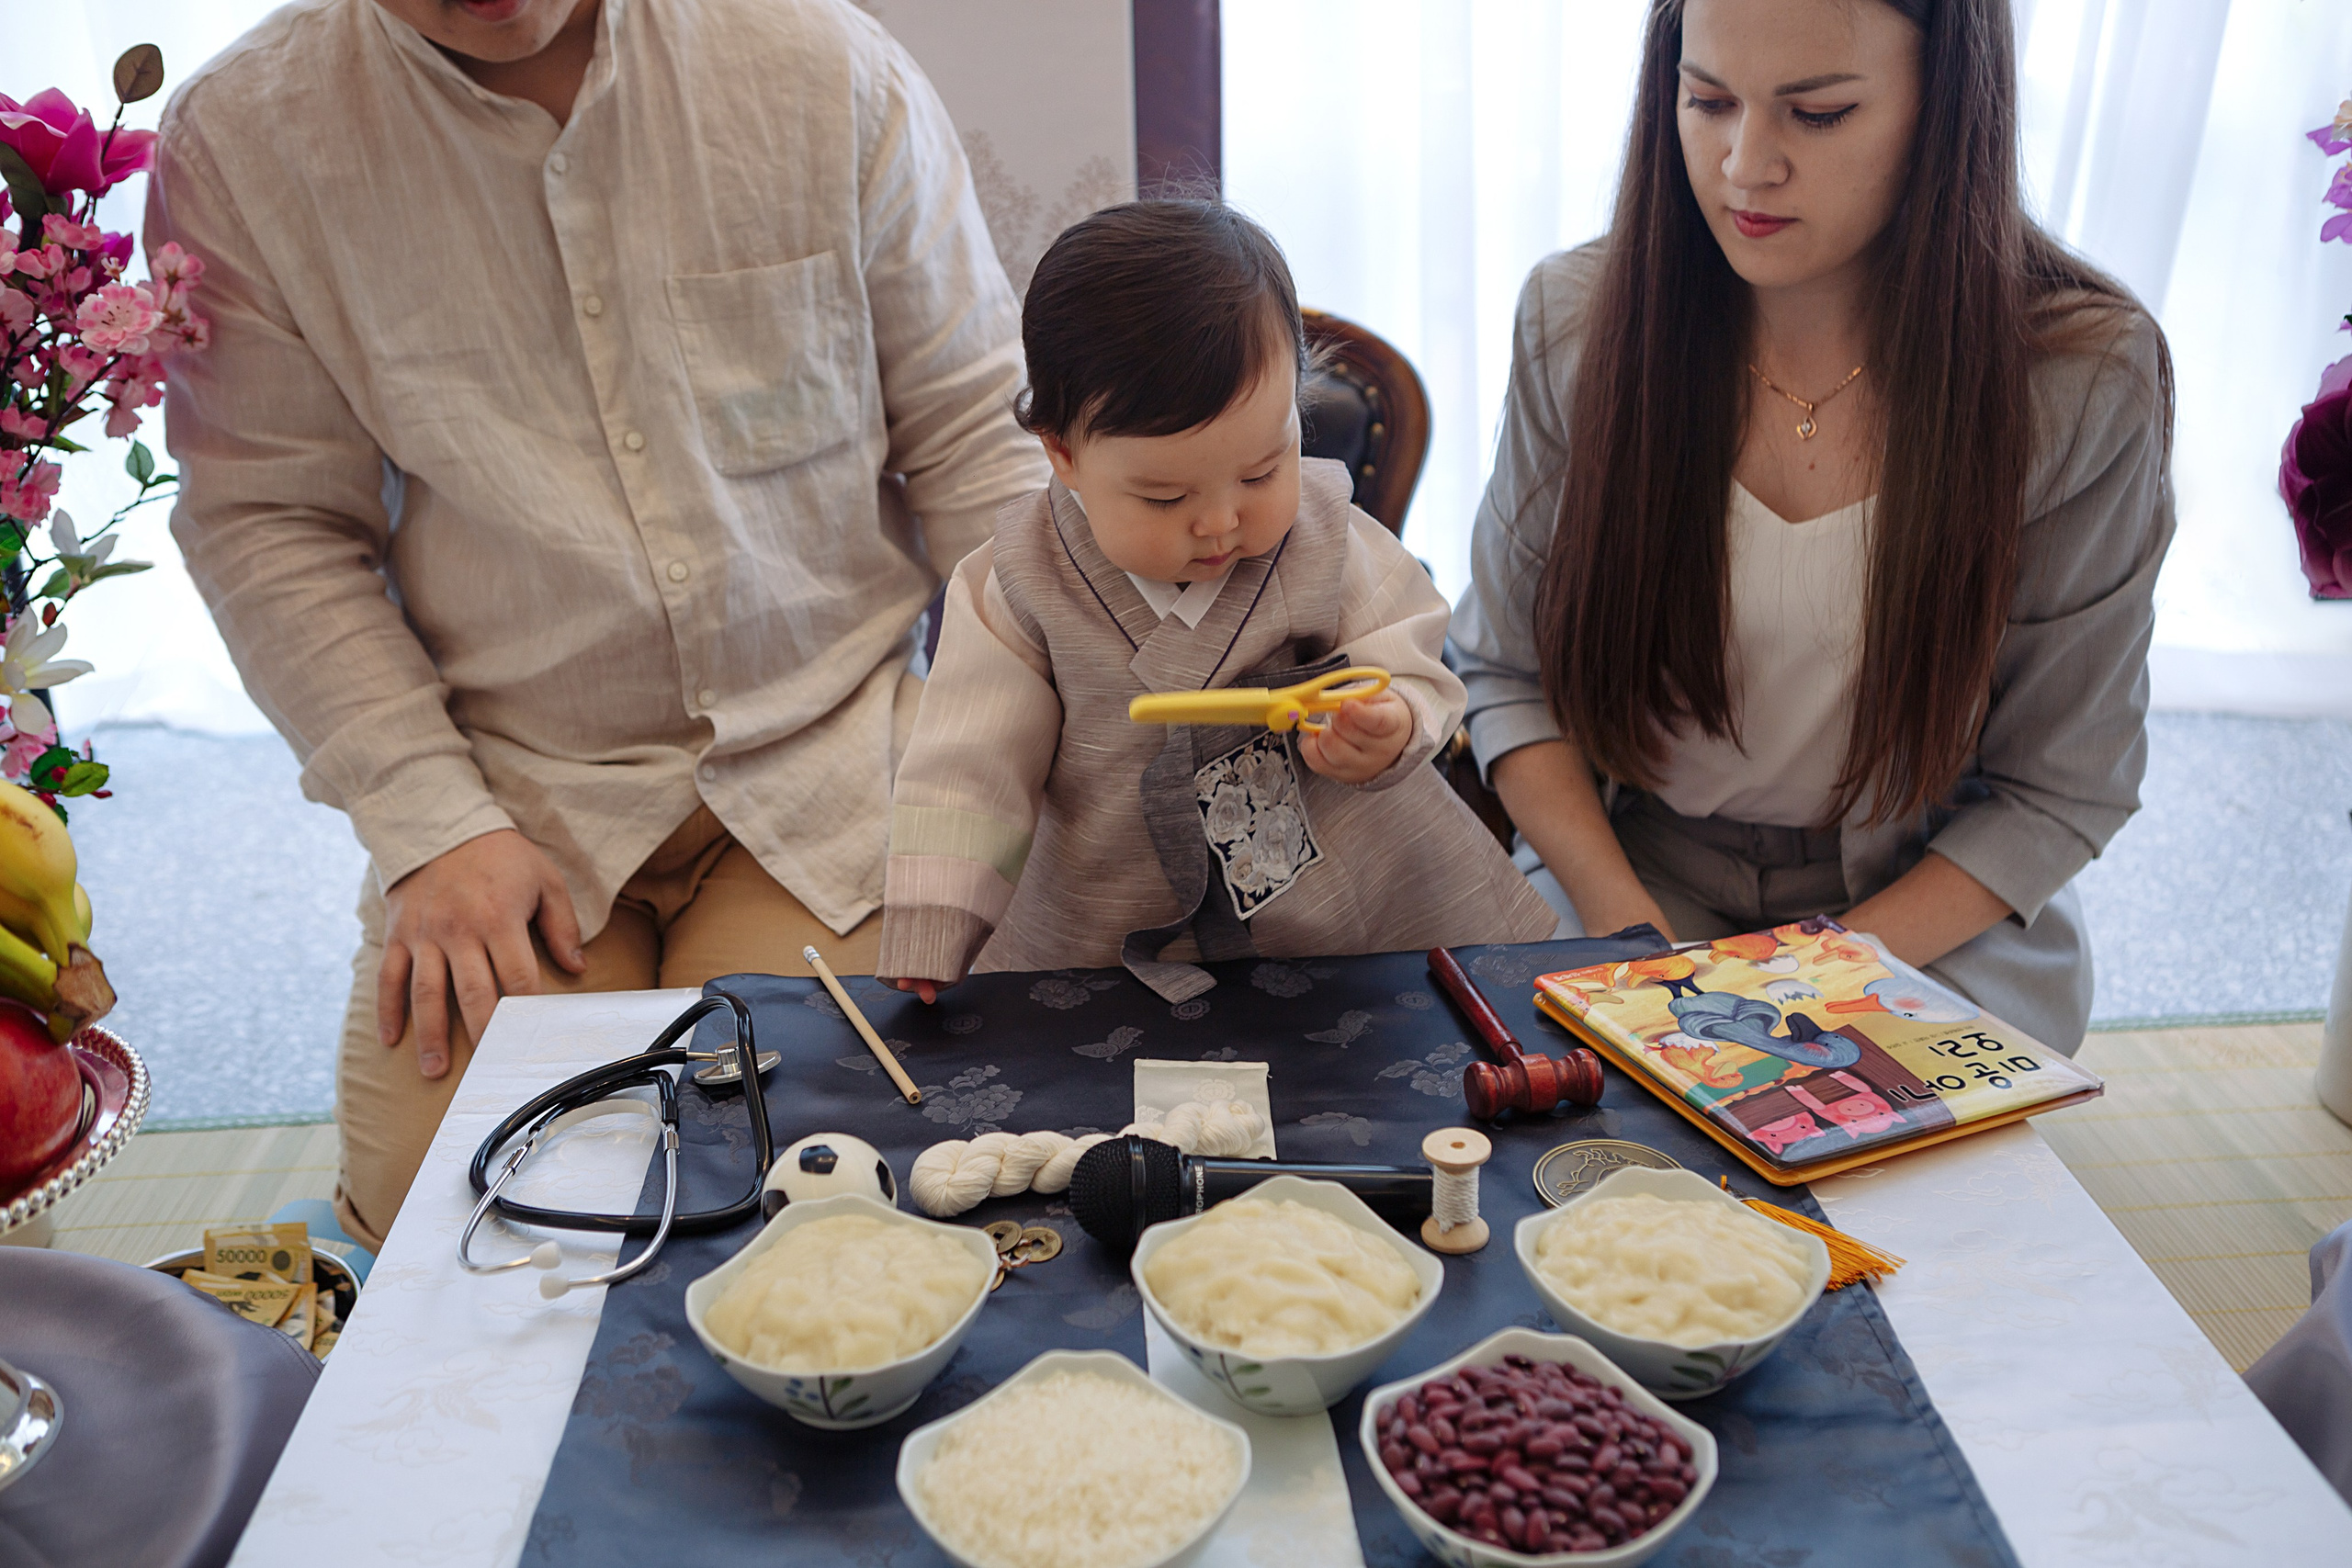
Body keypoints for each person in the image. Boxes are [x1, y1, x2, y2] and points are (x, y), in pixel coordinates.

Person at [147, 0, 1047, 1247]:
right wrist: (430, 824)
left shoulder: (812, 56)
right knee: (447, 1227)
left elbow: (972, 431)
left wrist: (1030, 722)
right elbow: (270, 521)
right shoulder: (245, 136)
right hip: (513, 797)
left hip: (827, 753)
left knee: (829, 1178)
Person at [1453, 0, 2173, 1054]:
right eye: (1706, 101)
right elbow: (1507, 678)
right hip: (1631, 874)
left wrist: (1800, 983)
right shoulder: (1577, 321)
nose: (1744, 165)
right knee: (1579, 1158)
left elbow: (2059, 785)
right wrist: (1637, 942)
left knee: (1898, 1197)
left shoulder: (2079, 380)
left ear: (1947, 109)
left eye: (1819, 114)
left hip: (1922, 913)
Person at [877, 202, 1557, 1003]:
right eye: (1164, 497)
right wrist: (934, 922)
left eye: (1262, 471)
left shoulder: (1323, 533)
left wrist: (1393, 718)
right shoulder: (1023, 579)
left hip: (1352, 921)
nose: (1221, 521)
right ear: (1063, 453)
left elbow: (1404, 642)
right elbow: (967, 764)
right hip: (1109, 930)